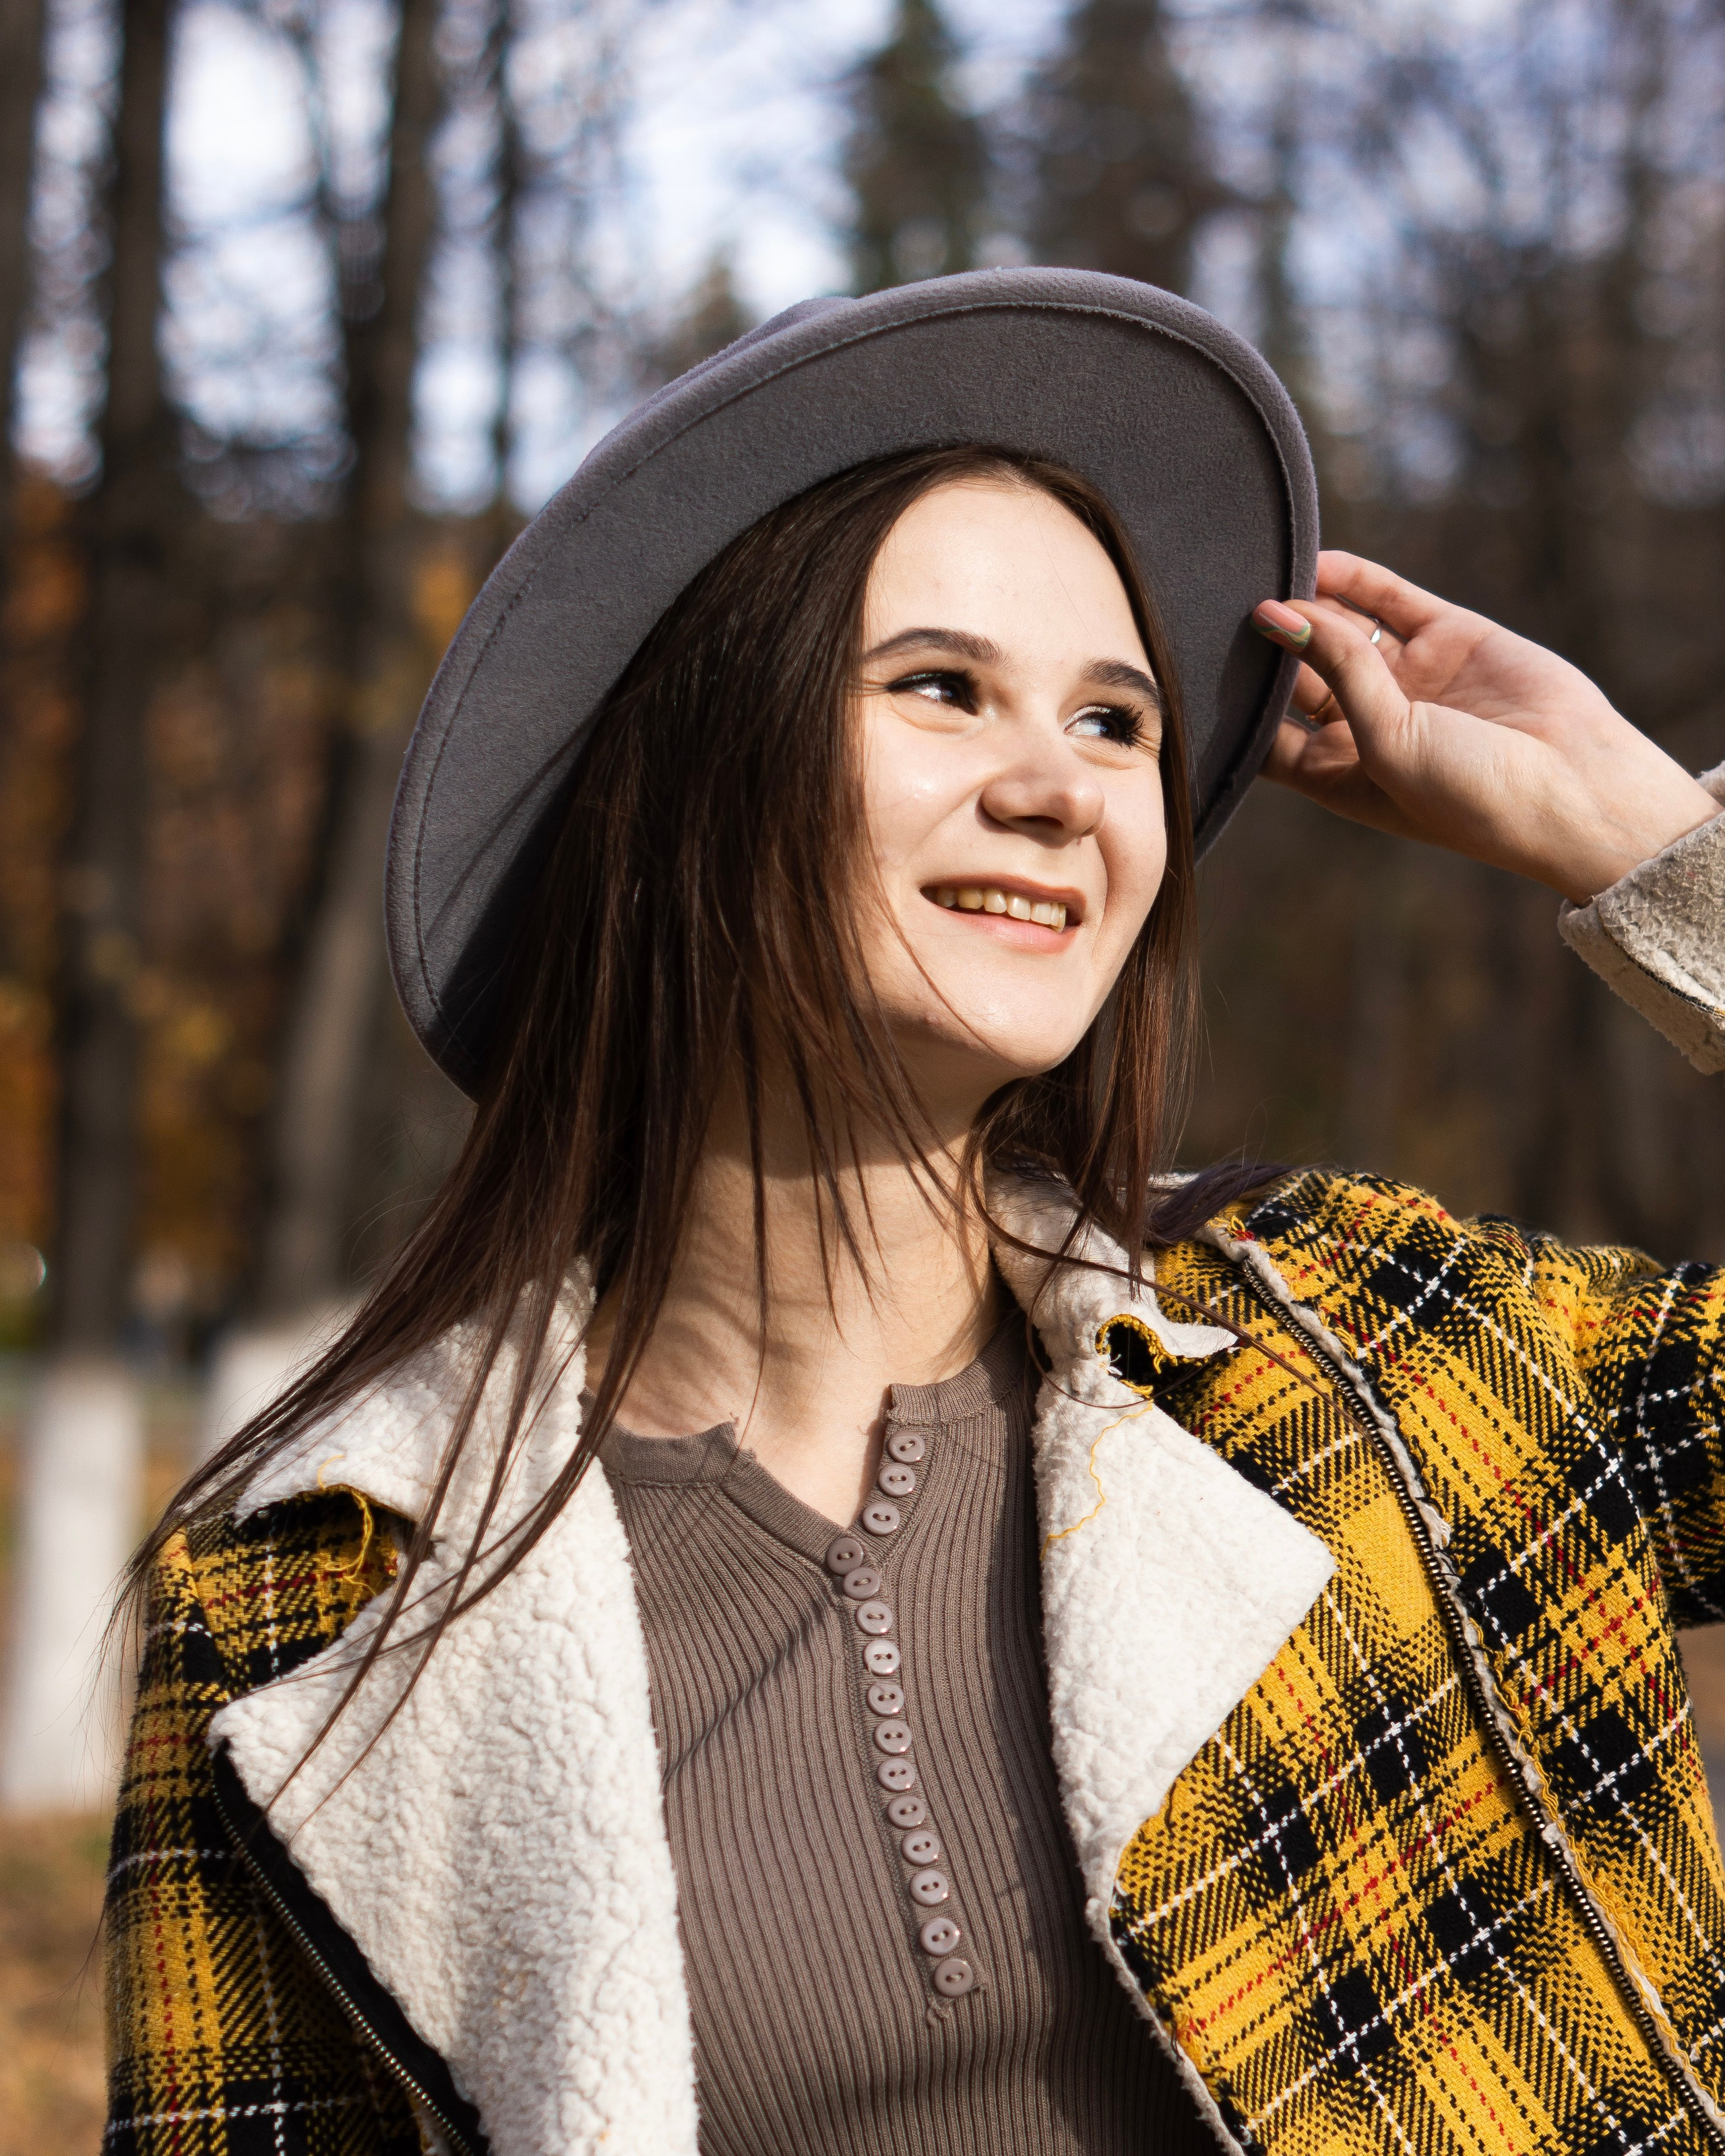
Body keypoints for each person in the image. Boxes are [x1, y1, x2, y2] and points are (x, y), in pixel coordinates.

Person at [103, 272, 1725, 2156]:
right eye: (942, 689)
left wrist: (1651, 846)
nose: (1057, 790)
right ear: (693, 771)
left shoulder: (1382, 1345)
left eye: (1115, 722)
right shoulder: (308, 1604)